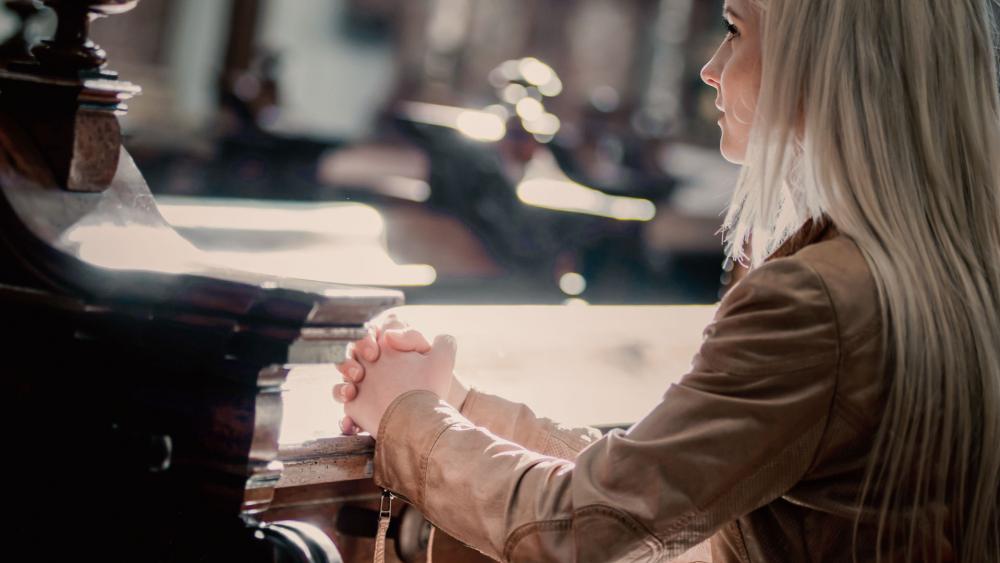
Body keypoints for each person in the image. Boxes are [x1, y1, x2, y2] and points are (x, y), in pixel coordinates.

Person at [333, 0, 1000, 560]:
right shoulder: (949, 269)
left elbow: (583, 530)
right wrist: (458, 405)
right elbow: (652, 480)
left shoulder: (817, 300)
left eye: (735, 29)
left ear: (823, 61)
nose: (711, 68)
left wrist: (405, 417)